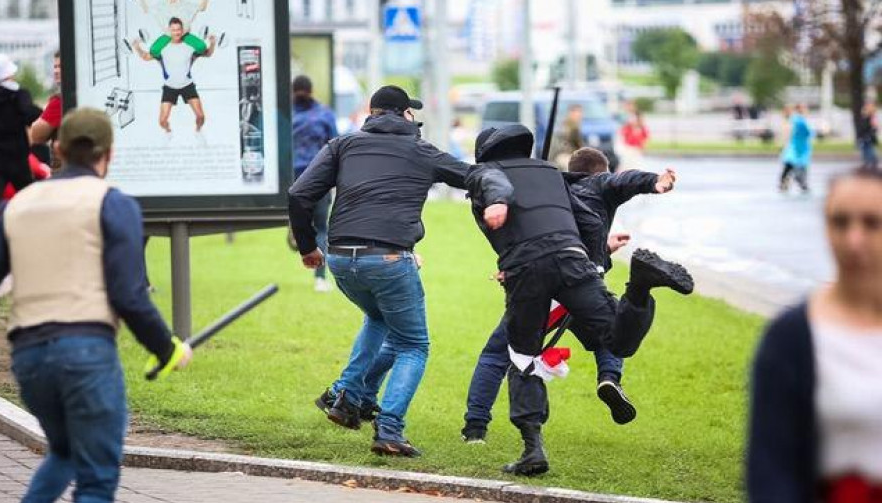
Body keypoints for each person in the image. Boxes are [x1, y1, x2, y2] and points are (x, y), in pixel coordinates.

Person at [0, 108, 192, 503]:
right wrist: (167, 346)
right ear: (108, 154)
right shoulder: (114, 203)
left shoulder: (16, 206)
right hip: (87, 353)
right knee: (97, 481)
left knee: (64, 447)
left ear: (56, 149)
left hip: (29, 358)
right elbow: (130, 296)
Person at [289, 85, 512, 457]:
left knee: (378, 319)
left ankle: (346, 396)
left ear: (372, 113)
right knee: (413, 345)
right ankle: (389, 429)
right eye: (412, 113)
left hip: (341, 258)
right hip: (390, 259)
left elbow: (299, 194)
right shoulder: (420, 150)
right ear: (404, 114)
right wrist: (502, 191)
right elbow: (475, 177)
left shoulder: (342, 145)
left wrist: (309, 246)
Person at [464, 125, 693, 476]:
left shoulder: (486, 178)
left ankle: (532, 450)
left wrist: (500, 217)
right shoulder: (553, 176)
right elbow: (599, 193)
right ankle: (640, 287)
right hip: (574, 260)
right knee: (619, 341)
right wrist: (600, 252)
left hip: (526, 270)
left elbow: (496, 190)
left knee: (523, 358)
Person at [748, 168, 882, 503]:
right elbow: (773, 472)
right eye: (840, 222)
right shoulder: (792, 338)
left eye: (872, 223)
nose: (854, 239)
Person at [0, 53, 43, 244]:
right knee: (29, 198)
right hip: (17, 158)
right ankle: (35, 237)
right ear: (10, 73)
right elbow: (30, 115)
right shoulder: (19, 94)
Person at [291, 75, 338, 292]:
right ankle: (320, 277)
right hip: (319, 180)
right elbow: (335, 146)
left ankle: (295, 231)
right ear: (312, 90)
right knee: (321, 228)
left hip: (291, 179)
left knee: (306, 224)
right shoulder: (324, 114)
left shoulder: (285, 114)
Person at [132, 17, 217, 136]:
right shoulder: (162, 48)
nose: (176, 32)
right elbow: (146, 57)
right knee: (162, 121)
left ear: (182, 31)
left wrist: (212, 43)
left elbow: (207, 54)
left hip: (187, 85)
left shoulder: (190, 47)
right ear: (169, 31)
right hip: (169, 87)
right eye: (173, 30)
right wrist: (137, 47)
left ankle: (198, 131)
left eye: (178, 30)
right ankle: (168, 131)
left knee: (201, 116)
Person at [29, 51, 63, 168]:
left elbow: (36, 134)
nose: (56, 71)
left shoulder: (59, 101)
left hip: (64, 170)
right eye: (55, 67)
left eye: (60, 67)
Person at [780, 104, 813, 194]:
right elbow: (807, 133)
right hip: (798, 146)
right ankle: (801, 182)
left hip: (797, 145)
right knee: (795, 164)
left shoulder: (796, 119)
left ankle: (792, 182)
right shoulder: (799, 120)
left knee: (791, 165)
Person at [549, 104, 584, 169]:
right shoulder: (568, 127)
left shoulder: (574, 126)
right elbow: (575, 145)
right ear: (570, 113)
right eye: (576, 113)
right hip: (559, 155)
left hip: (564, 154)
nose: (579, 115)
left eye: (580, 112)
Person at [858, 101, 879, 171]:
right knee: (865, 149)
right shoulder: (865, 117)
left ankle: (872, 161)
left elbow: (874, 127)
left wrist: (869, 134)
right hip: (864, 136)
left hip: (867, 136)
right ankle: (868, 161)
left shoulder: (870, 117)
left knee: (868, 149)